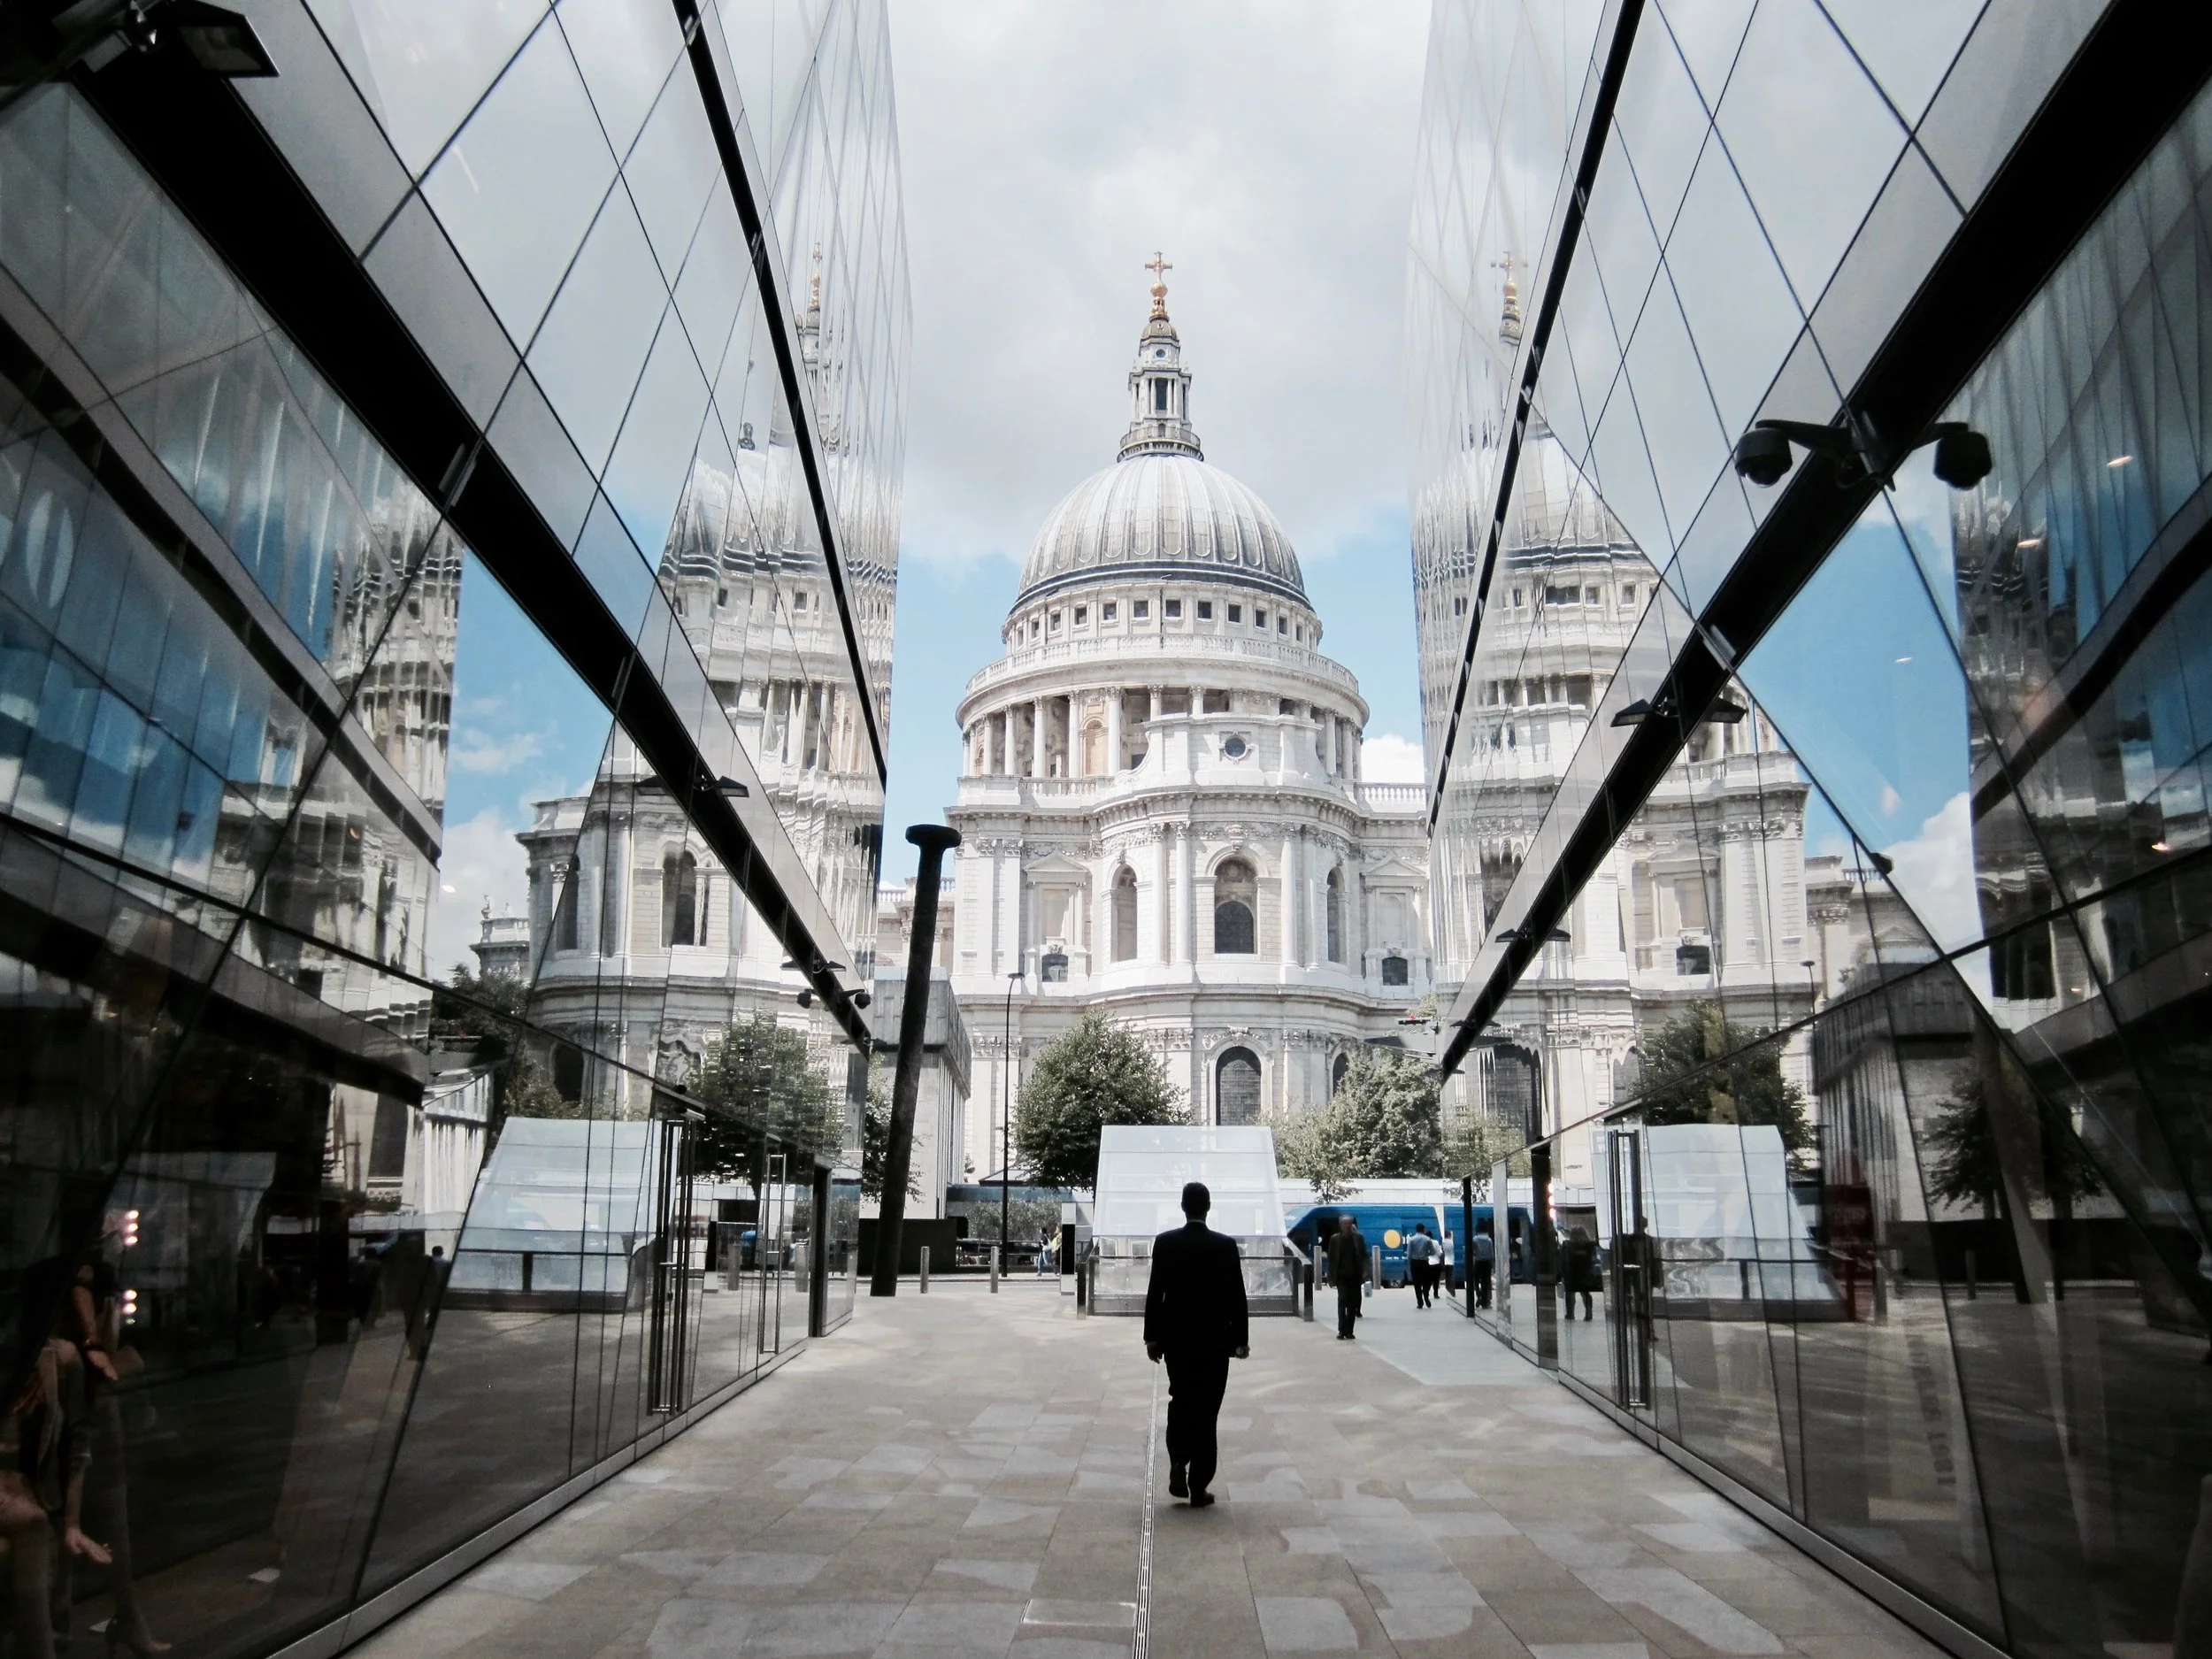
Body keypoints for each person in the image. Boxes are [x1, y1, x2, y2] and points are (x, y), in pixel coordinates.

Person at [1143, 1182, 1248, 1508]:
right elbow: (1236, 1296)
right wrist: (1241, 1340)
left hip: (1176, 1339)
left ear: (1183, 1206)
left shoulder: (1165, 1243)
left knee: (1181, 1399)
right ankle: (1199, 1484)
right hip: (1214, 1342)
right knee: (1207, 1409)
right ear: (1208, 1206)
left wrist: (1151, 1336)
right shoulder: (1225, 1246)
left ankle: (1178, 1459)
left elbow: (1155, 1292)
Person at [1325, 1215, 1367, 1340]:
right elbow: (1331, 1259)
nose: (1347, 1225)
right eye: (1345, 1223)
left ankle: (1349, 1330)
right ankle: (1342, 1330)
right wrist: (1330, 1276)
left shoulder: (1358, 1238)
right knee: (1342, 1301)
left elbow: (1364, 1256)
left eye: (1349, 1223)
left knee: (1352, 1304)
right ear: (1341, 1225)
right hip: (1341, 1276)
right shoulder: (1335, 1239)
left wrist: (1365, 1272)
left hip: (1355, 1276)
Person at [1563, 1225, 1597, 1320]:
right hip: (1585, 1272)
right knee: (1585, 1293)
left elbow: (1565, 1259)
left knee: (1570, 1293)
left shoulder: (1569, 1245)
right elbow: (1593, 1259)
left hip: (1572, 1272)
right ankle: (1588, 1312)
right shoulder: (1590, 1245)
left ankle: (1570, 1313)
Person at [1407, 1223, 1440, 1310]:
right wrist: (1426, 1254)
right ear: (1423, 1229)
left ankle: (1420, 1302)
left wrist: (1410, 1263)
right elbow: (1433, 1252)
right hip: (1424, 1262)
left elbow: (1409, 1255)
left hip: (1415, 1263)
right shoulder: (1427, 1239)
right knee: (1426, 1281)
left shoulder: (1411, 1240)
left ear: (1416, 1229)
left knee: (1416, 1283)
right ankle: (1426, 1295)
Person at [1471, 1220, 1494, 1309]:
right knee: (1485, 1283)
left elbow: (1472, 1251)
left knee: (1476, 1281)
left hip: (1478, 1263)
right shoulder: (1489, 1240)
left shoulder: (1475, 1239)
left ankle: (1479, 1295)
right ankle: (1484, 1302)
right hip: (1487, 1263)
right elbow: (1491, 1254)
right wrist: (1492, 1265)